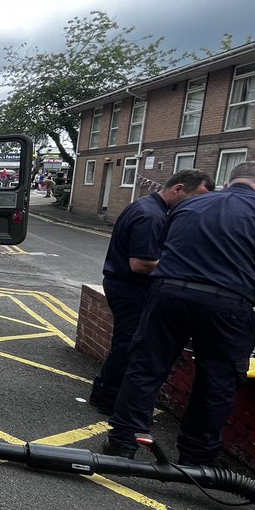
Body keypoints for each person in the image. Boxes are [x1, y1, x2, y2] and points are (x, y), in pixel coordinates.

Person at [104, 161, 255, 465]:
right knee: (218, 381)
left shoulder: (189, 206)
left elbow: (168, 250)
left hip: (168, 295)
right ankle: (197, 457)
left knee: (146, 368)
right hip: (228, 305)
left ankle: (123, 442)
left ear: (228, 183)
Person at [87, 169, 214, 415]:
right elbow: (141, 264)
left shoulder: (146, 206)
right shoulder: (151, 216)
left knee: (125, 342)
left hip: (123, 285)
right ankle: (108, 399)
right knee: (128, 345)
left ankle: (104, 393)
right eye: (197, 196)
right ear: (178, 188)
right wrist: (184, 264)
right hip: (131, 288)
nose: (199, 203)